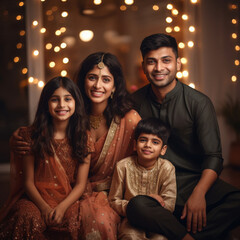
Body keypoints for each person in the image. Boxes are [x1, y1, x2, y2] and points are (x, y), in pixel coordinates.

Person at [8, 52, 142, 239]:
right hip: (73, 193)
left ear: (114, 86)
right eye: (92, 78)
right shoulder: (72, 112)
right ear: (82, 81)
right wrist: (16, 138)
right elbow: (41, 133)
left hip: (111, 194)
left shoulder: (129, 119)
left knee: (100, 220)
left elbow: (143, 160)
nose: (97, 85)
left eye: (106, 79)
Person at [127, 33, 240, 240]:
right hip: (152, 184)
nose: (159, 68)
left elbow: (214, 157)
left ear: (178, 63)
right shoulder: (134, 102)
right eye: (151, 62)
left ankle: (177, 231)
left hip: (192, 182)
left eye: (166, 60)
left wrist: (199, 194)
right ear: (144, 66)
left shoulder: (198, 103)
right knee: (136, 206)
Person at [0, 76, 93, 239]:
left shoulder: (84, 137)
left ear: (76, 103)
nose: (62, 105)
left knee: (78, 221)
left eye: (68, 99)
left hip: (69, 199)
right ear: (46, 104)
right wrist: (43, 208)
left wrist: (62, 207)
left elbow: (80, 184)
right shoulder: (32, 135)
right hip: (36, 199)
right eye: (55, 100)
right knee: (26, 216)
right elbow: (28, 182)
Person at [109, 117, 176, 240]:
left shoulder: (167, 168)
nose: (148, 145)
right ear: (135, 145)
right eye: (143, 140)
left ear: (163, 149)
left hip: (157, 221)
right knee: (130, 236)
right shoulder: (123, 166)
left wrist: (151, 206)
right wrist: (136, 208)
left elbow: (170, 204)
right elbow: (114, 200)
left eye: (155, 142)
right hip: (130, 221)